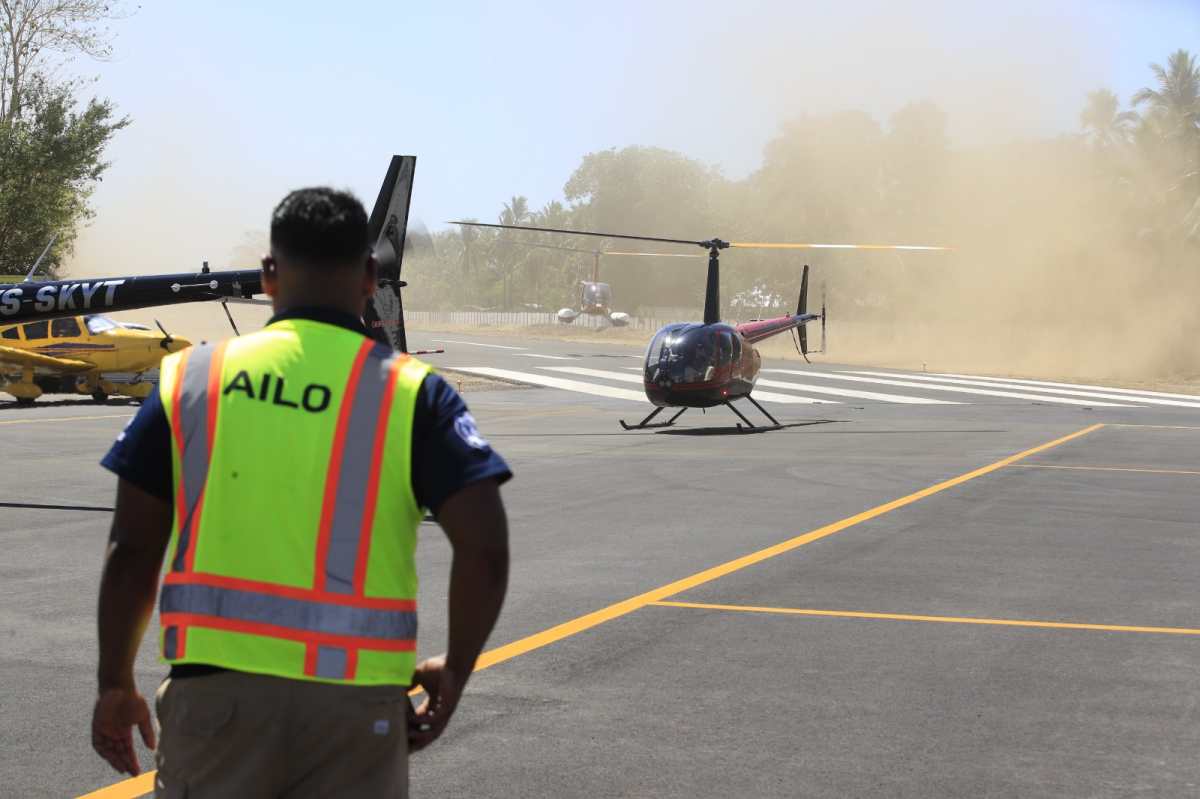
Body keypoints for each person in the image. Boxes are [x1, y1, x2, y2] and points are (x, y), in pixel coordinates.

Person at [91, 187, 510, 797]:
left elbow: (132, 550)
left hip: (216, 705)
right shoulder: (414, 392)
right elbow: (486, 548)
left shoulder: (194, 377)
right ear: (370, 276)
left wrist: (115, 683)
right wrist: (460, 668)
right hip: (355, 713)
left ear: (268, 276)